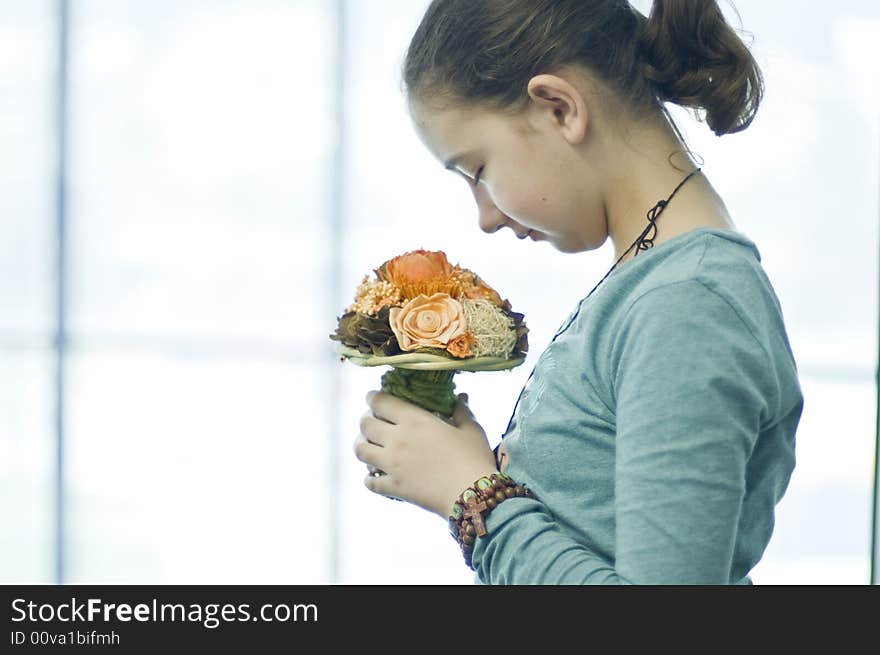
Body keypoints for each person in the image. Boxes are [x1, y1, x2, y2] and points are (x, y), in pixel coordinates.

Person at [353, 0, 804, 584]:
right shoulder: (653, 279)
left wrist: (475, 498)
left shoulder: (686, 305)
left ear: (560, 108)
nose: (486, 217)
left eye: (479, 171)